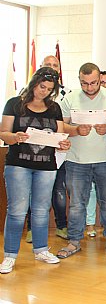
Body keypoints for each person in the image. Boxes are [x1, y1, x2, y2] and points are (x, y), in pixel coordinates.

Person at [0, 67, 71, 274]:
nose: (44, 92)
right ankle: (10, 255)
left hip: (46, 165)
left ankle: (41, 250)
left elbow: (59, 136)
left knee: (41, 210)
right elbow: (3, 133)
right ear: (34, 83)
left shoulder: (54, 108)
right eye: (42, 87)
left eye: (49, 89)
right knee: (17, 210)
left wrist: (63, 144)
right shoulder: (14, 104)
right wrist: (15, 137)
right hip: (18, 164)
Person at [57, 62, 106, 259]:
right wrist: (75, 130)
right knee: (77, 204)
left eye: (93, 83)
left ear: (100, 79)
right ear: (79, 80)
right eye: (84, 83)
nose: (89, 87)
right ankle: (74, 241)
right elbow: (60, 126)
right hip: (76, 161)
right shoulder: (70, 98)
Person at [25, 55, 69, 243]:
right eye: (48, 65)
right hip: (28, 155)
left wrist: (64, 139)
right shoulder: (25, 94)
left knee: (59, 192)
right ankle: (31, 228)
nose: (52, 68)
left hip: (56, 155)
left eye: (55, 65)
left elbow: (62, 127)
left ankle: (61, 225)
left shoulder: (65, 94)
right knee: (31, 194)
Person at [85, 70, 106, 237]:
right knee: (89, 193)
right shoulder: (83, 100)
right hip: (86, 156)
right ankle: (89, 224)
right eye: (101, 82)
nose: (104, 85)